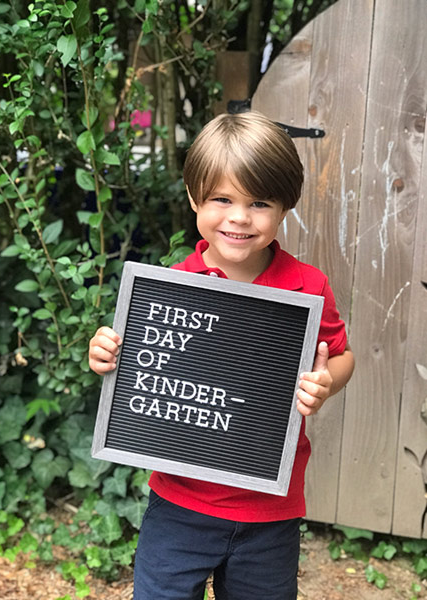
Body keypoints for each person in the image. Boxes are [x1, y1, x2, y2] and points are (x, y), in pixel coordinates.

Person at [88, 111, 355, 600]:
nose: (238, 217)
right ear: (195, 198)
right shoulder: (172, 287)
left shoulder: (307, 287)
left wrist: (325, 381)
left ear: (285, 206)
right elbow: (137, 364)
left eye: (258, 202)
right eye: (222, 199)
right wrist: (108, 355)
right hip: (179, 503)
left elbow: (341, 356)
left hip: (270, 511)